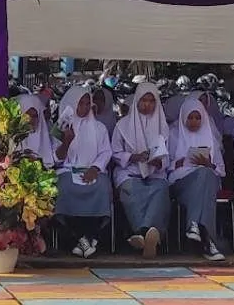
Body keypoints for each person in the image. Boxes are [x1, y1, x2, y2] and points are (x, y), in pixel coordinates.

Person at [111, 82, 172, 258]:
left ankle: (143, 235)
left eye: (151, 101)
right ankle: (148, 235)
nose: (147, 105)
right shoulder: (122, 125)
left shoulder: (163, 127)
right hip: (129, 171)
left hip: (155, 173)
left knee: (160, 190)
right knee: (132, 189)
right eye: (143, 100)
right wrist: (134, 157)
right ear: (137, 101)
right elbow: (115, 152)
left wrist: (159, 162)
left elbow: (169, 155)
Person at [53, 86, 113, 259]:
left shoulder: (99, 127)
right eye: (81, 104)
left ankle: (84, 240)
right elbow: (56, 158)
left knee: (102, 186)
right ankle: (83, 239)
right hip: (68, 170)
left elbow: (105, 152)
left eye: (88, 104)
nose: (85, 108)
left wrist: (95, 168)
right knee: (64, 187)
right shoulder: (60, 128)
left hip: (92, 170)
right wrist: (66, 142)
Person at [168, 96, 226, 261]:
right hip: (182, 182)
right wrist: (178, 162)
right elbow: (164, 166)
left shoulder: (211, 137)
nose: (194, 122)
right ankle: (209, 242)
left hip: (208, 181)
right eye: (190, 118)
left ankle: (195, 226)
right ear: (184, 117)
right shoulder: (174, 135)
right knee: (204, 178)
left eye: (198, 117)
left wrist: (209, 164)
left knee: (205, 174)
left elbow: (221, 170)